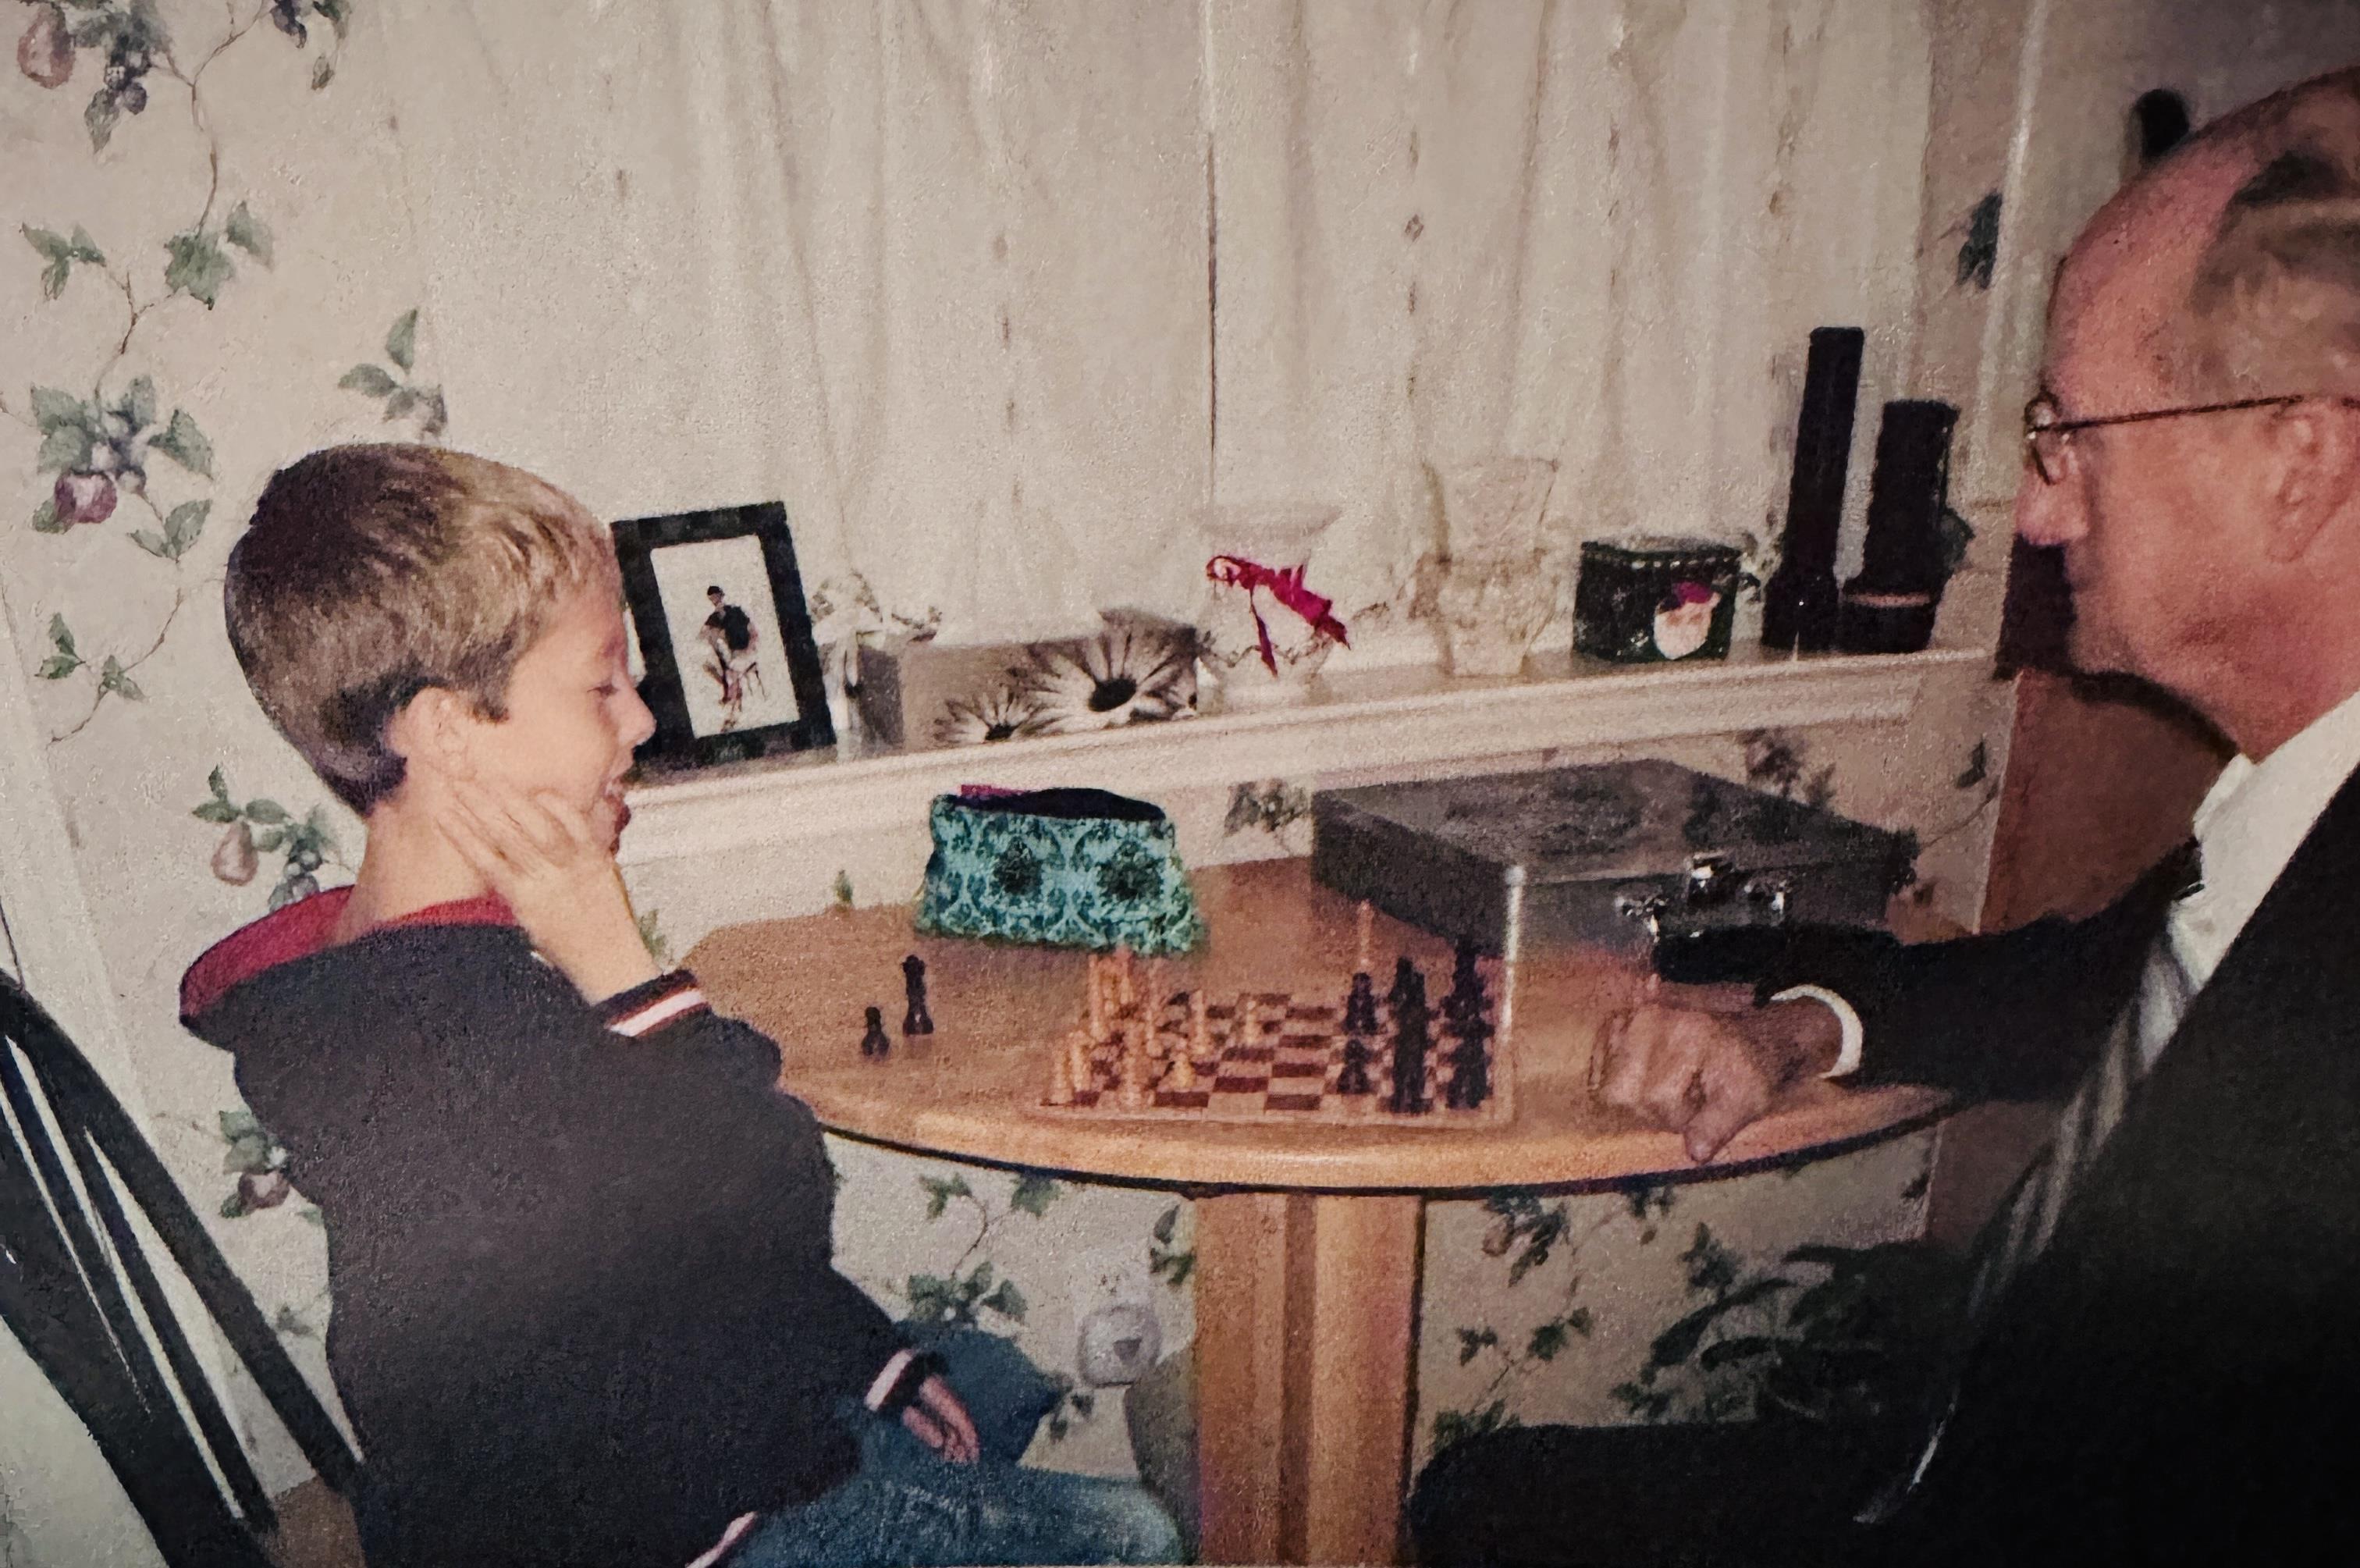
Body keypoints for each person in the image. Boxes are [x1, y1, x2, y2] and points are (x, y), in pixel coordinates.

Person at [1411, 66, 2360, 1566]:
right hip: (1961, 1468)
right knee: (1478, 1501)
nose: (2035, 513)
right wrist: (1794, 1025)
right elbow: (2090, 981)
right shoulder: (2292, 802)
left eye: (2066, 438)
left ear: (2297, 464)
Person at [179, 444, 1178, 1568]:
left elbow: (675, 1253)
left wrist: (863, 1357)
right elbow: (769, 1198)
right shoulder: (448, 1033)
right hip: (650, 1528)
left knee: (979, 1378)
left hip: (644, 1404)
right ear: (451, 729)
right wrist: (619, 960)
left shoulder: (392, 966)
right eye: (603, 684)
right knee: (1130, 1537)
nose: (644, 721)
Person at [701, 584, 764, 731]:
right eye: (712, 599)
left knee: (731, 675)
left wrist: (749, 648)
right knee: (716, 668)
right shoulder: (715, 617)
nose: (715, 601)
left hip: (746, 653)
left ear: (721, 596)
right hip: (736, 655)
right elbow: (703, 634)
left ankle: (732, 714)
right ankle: (731, 702)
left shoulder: (736, 611)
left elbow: (753, 632)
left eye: (716, 597)